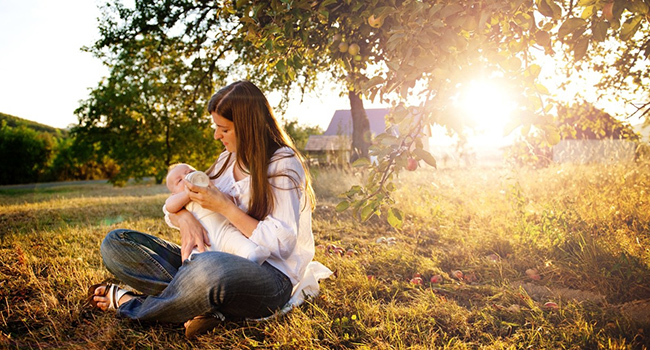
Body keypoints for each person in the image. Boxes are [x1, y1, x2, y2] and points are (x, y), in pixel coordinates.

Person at [87, 80, 332, 338]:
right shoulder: (228, 159)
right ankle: (207, 306)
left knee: (208, 268)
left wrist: (225, 207)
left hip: (270, 277)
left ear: (248, 127)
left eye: (223, 129)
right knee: (116, 243)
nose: (217, 135)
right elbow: (183, 199)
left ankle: (129, 304)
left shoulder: (282, 163)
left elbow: (282, 243)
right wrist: (184, 219)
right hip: (213, 261)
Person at [164, 162, 270, 264]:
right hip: (202, 240)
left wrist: (216, 194)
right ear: (174, 193)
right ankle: (196, 269)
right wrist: (188, 193)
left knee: (239, 243)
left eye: (190, 171)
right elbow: (169, 206)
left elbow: (230, 200)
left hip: (225, 232)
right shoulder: (178, 199)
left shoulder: (212, 189)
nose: (187, 176)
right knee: (195, 257)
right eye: (179, 180)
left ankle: (253, 255)